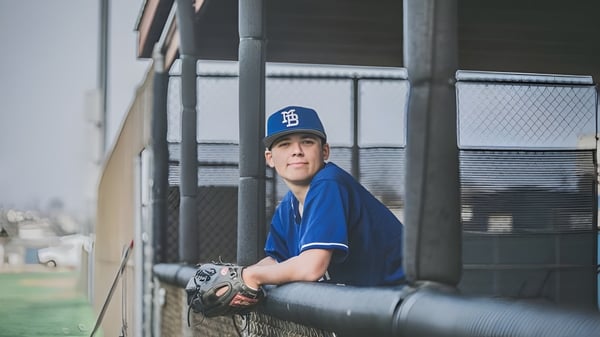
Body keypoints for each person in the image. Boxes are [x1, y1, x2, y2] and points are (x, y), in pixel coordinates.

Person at [242, 105, 405, 289]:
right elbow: (276, 260)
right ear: (270, 158)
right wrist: (239, 278)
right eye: (284, 144)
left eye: (307, 142)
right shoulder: (288, 205)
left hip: (410, 300)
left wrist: (252, 276)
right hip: (375, 300)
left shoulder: (329, 184)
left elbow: (312, 268)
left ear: (325, 151)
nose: (296, 150)